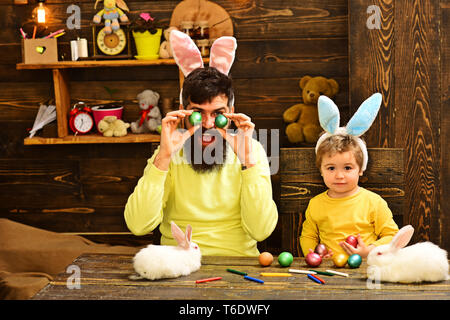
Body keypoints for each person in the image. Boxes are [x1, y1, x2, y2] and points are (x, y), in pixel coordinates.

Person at [124, 31, 278, 256]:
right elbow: (138, 226)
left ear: (231, 113)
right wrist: (163, 158)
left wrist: (249, 163)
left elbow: (261, 230)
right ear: (183, 112)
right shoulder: (168, 152)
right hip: (178, 264)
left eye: (218, 114)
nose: (207, 123)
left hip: (236, 264)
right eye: (198, 113)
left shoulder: (251, 150)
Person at [299, 93, 399, 258]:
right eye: (331, 168)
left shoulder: (373, 203)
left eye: (347, 168)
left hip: (365, 270)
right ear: (321, 170)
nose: (339, 175)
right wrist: (313, 254)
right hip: (329, 273)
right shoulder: (316, 204)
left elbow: (392, 235)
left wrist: (369, 250)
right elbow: (308, 236)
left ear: (360, 169)